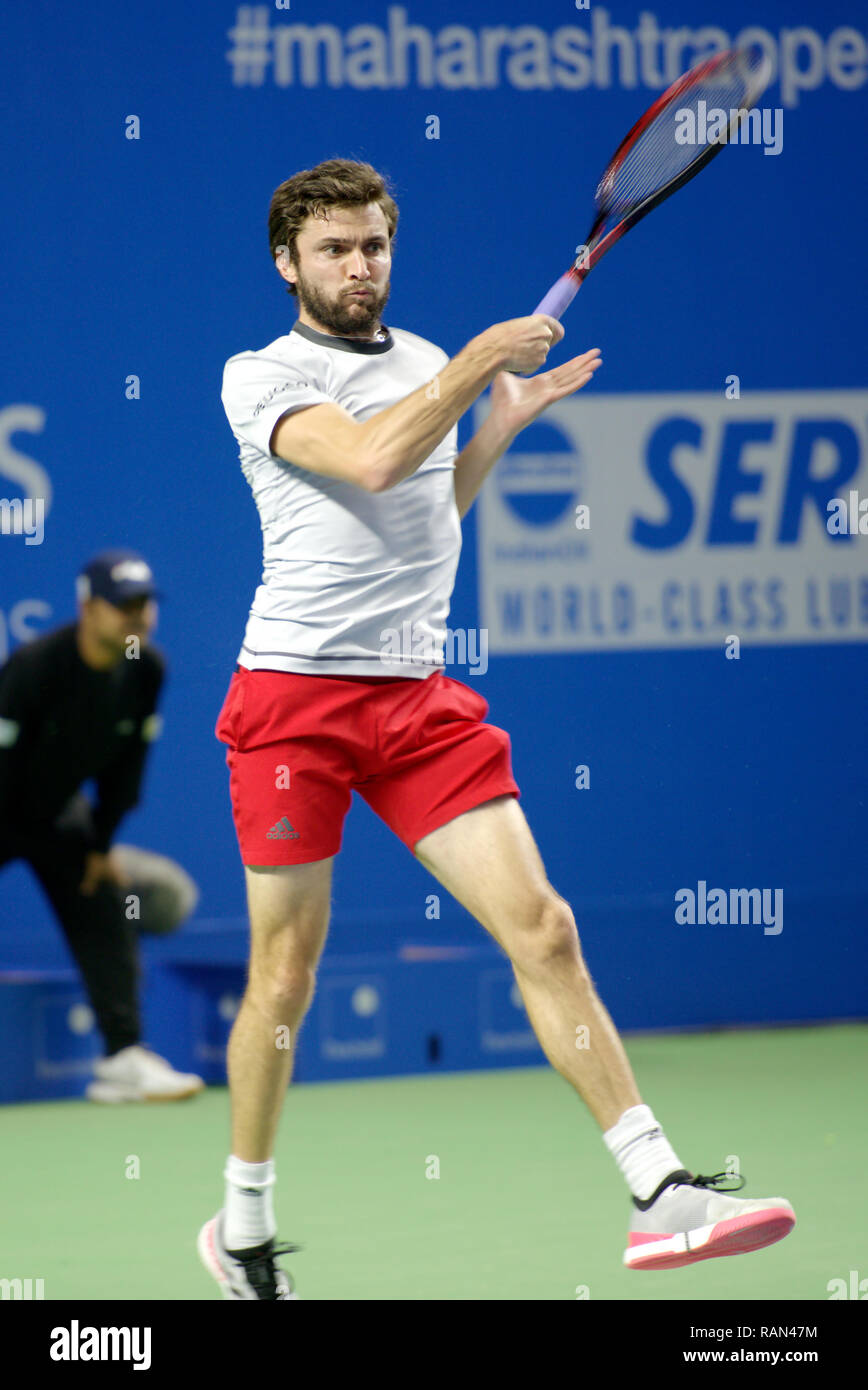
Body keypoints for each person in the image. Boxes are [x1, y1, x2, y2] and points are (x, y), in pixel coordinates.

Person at [199, 159, 794, 1299]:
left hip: (416, 698)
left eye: (372, 244)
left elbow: (426, 509)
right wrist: (480, 364)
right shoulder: (261, 375)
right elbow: (370, 463)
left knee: (547, 927)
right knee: (285, 975)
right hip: (294, 701)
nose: (358, 266)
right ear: (287, 263)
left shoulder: (426, 362)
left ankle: (658, 1190)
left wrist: (495, 425)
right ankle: (243, 1220)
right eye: (332, 248)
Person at [0, 549, 203, 1102]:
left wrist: (99, 845)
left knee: (102, 891)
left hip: (53, 812)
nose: (136, 617)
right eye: (122, 606)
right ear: (88, 607)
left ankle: (122, 1059)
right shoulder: (36, 666)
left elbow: (125, 768)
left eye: (144, 604)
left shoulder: (146, 669)